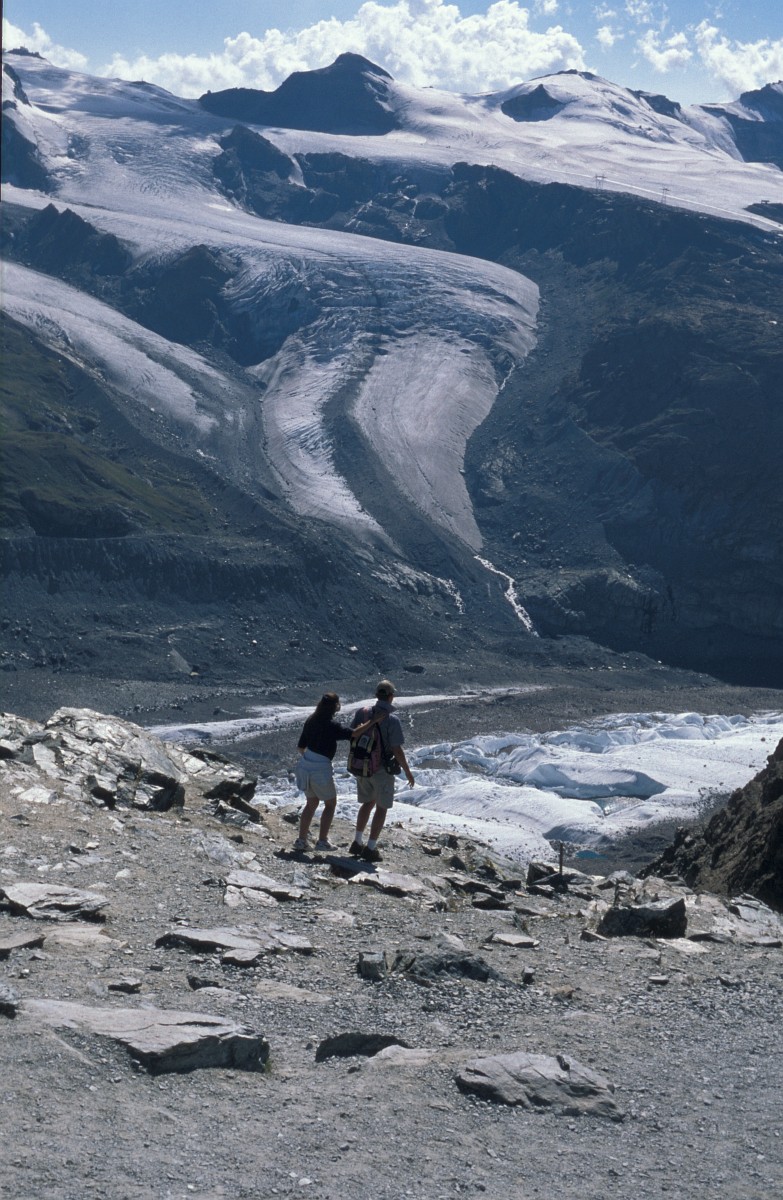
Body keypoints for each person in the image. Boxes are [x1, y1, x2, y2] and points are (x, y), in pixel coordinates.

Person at [294, 692, 382, 852]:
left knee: (311, 803)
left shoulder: (311, 720)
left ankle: (301, 840)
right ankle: (322, 841)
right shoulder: (331, 725)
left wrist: (310, 758)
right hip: (321, 768)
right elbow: (353, 734)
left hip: (305, 765)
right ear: (335, 706)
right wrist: (373, 721)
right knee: (330, 804)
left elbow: (301, 747)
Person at [349, 680, 415, 862]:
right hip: (381, 770)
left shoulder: (362, 712)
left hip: (363, 766)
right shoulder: (392, 720)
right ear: (391, 696)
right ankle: (370, 848)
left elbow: (352, 734)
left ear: (377, 695)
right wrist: (407, 771)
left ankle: (357, 842)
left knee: (367, 803)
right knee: (381, 807)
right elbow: (397, 749)